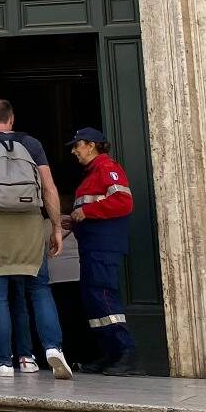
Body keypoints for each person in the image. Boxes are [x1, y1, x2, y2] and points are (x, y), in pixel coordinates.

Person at [0, 99, 71, 379]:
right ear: (12, 118)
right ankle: (52, 349)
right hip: (30, 221)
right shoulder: (32, 144)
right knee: (39, 287)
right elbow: (48, 187)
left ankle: (4, 362)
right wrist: (56, 226)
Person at [67, 126, 138, 374]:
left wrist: (86, 212)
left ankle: (124, 352)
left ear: (91, 145)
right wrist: (75, 220)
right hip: (91, 246)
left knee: (104, 295)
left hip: (103, 247)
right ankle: (109, 353)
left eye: (77, 145)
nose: (75, 151)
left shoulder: (107, 169)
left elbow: (123, 202)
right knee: (94, 299)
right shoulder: (91, 174)